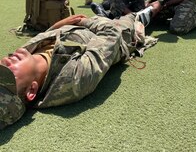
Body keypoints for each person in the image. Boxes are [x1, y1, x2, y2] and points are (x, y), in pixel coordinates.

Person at [0, 12, 157, 130]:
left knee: (113, 11)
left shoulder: (25, 57)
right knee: (131, 17)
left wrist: (58, 25)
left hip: (81, 27)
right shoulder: (72, 79)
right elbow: (112, 33)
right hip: (118, 34)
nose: (5, 61)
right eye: (8, 73)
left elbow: (45, 36)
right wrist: (85, 21)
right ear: (31, 90)